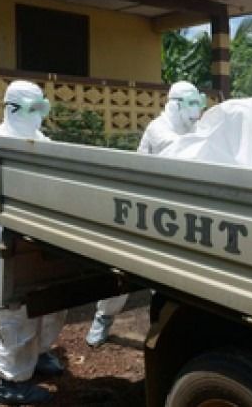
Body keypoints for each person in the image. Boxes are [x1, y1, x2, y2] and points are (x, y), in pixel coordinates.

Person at [87, 81, 205, 348]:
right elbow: (182, 151)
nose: (196, 110)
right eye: (191, 104)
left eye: (198, 103)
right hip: (141, 210)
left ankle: (161, 330)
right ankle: (103, 317)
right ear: (174, 105)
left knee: (165, 274)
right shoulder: (159, 129)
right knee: (124, 268)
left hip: (171, 214)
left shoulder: (193, 129)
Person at [0, 81, 65, 405]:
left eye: (39, 108)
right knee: (16, 309)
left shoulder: (41, 140)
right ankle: (11, 381)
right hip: (12, 236)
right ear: (13, 108)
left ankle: (40, 353)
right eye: (32, 109)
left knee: (52, 301)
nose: (37, 116)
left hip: (44, 234)